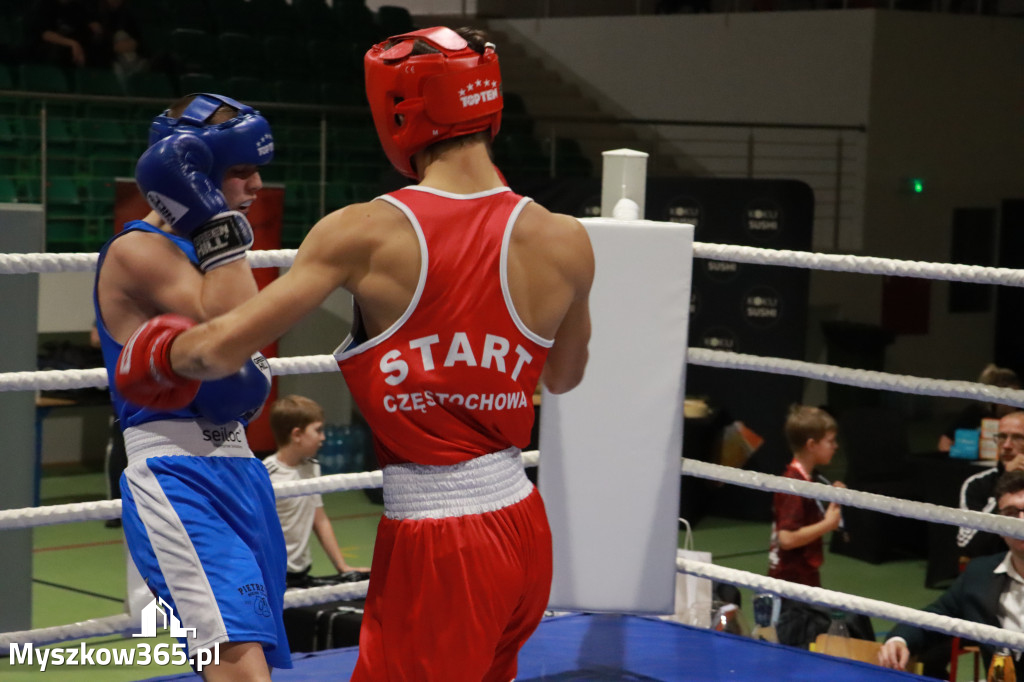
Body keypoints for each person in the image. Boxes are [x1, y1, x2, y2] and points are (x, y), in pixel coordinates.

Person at [113, 26, 594, 682]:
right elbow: (565, 376)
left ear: (399, 110)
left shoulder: (364, 231)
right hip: (521, 522)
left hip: (441, 540)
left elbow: (219, 352)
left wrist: (160, 354)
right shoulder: (566, 238)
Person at [92, 93, 290, 679]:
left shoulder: (202, 247)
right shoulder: (138, 250)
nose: (256, 186)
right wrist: (214, 219)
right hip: (178, 471)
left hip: (238, 463)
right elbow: (236, 328)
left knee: (250, 656)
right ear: (194, 171)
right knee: (237, 662)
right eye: (240, 171)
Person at [878, 470, 1024, 673]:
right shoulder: (980, 574)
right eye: (1011, 513)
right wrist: (899, 640)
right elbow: (935, 616)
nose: (1021, 520)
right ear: (998, 525)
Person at [768, 405, 872, 646]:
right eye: (830, 441)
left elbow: (823, 522)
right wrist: (826, 525)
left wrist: (835, 503)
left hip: (804, 580)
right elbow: (787, 538)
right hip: (790, 587)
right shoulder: (794, 484)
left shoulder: (810, 478)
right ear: (811, 445)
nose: (835, 446)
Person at [264, 394, 370, 588]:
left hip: (302, 571)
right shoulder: (266, 474)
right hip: (272, 574)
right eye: (318, 430)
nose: (323, 437)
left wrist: (343, 567)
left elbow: (319, 518)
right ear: (297, 435)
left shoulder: (311, 467)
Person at [957, 410, 1024, 559]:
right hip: (995, 570)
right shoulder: (977, 484)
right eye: (1001, 437)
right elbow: (971, 546)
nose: (1006, 445)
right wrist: (1004, 484)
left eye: (1018, 438)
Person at [937, 364, 1020, 453]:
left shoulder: (1021, 415)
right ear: (995, 396)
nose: (1012, 402)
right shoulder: (976, 411)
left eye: (1015, 395)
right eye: (1007, 397)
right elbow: (945, 442)